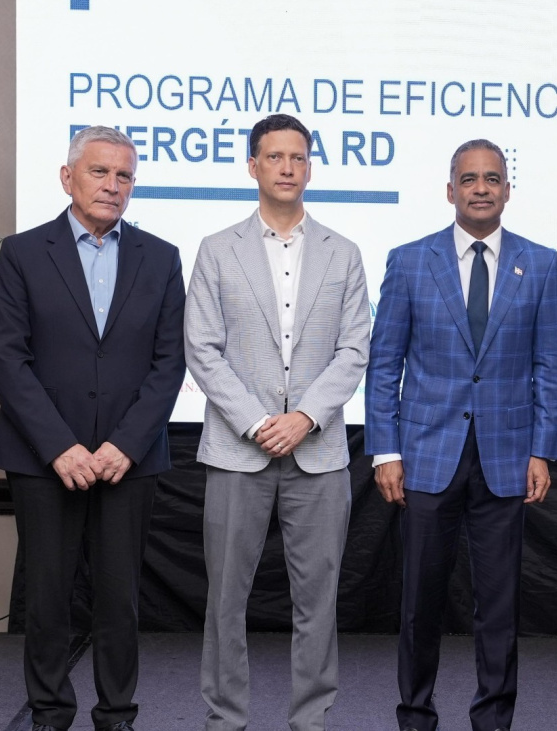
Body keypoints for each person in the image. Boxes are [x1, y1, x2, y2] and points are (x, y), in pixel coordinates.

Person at [365, 138, 557, 731]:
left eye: (492, 178)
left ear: (507, 190)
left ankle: (493, 721)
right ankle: (414, 716)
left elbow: (550, 364)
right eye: (470, 179)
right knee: (419, 604)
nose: (482, 188)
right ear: (450, 190)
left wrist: (542, 449)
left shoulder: (541, 264)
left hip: (507, 458)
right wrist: (385, 450)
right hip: (425, 456)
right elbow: (384, 364)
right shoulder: (409, 261)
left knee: (499, 607)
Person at [0, 126, 186, 731]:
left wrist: (125, 444)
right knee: (47, 596)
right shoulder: (23, 252)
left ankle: (117, 714)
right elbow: (9, 359)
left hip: (129, 459)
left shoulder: (161, 257)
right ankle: (49, 713)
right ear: (67, 177)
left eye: (124, 175)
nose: (112, 185)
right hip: (43, 458)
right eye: (100, 172)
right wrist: (60, 447)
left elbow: (169, 363)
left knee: (120, 597)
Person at [184, 113, 370, 731]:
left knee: (318, 602)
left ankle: (311, 720)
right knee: (224, 601)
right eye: (274, 156)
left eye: (298, 157)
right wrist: (259, 421)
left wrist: (305, 418)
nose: (287, 167)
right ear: (252, 166)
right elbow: (202, 349)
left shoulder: (344, 253)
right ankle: (225, 720)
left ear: (309, 167)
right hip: (237, 450)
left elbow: (355, 351)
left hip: (319, 453)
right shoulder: (217, 249)